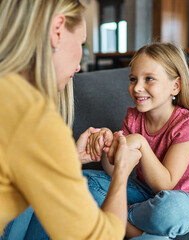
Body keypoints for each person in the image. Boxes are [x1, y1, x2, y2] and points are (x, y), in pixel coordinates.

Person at [0, 1, 141, 240]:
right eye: (82, 43)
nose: (78, 66)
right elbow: (100, 237)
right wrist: (122, 172)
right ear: (57, 30)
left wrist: (69, 158)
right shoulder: (32, 117)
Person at [84, 42, 189, 239]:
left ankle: (118, 219)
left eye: (149, 79)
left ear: (175, 86)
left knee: (169, 211)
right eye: (133, 79)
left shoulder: (188, 123)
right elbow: (115, 172)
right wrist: (108, 148)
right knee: (85, 182)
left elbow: (165, 185)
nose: (137, 88)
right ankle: (142, 232)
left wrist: (141, 142)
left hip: (184, 199)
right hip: (143, 192)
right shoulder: (134, 117)